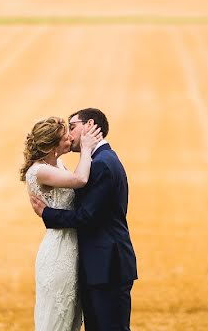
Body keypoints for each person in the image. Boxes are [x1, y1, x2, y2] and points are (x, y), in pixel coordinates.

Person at [30, 108, 138, 331]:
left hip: (107, 266)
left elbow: (86, 216)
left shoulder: (101, 164)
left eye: (72, 127)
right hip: (96, 264)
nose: (69, 135)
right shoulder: (98, 160)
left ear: (89, 125)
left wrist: (48, 214)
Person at [21, 115, 103, 331]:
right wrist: (86, 150)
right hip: (58, 251)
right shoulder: (39, 171)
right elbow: (80, 180)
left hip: (72, 247)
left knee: (71, 319)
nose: (70, 138)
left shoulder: (58, 164)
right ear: (51, 146)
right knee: (57, 317)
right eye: (64, 136)